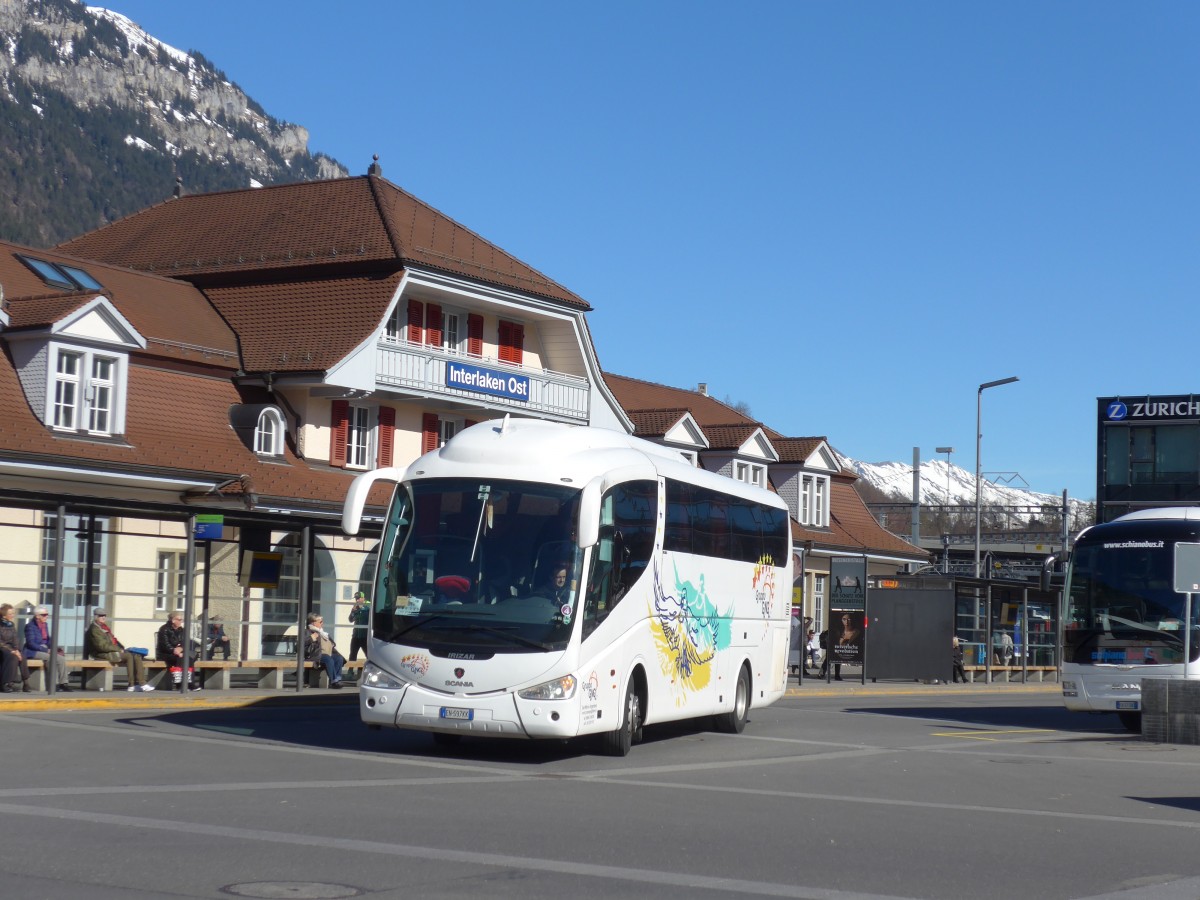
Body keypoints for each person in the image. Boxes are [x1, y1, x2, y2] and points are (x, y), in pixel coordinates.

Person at [85, 609, 153, 692]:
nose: (103, 617)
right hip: (101, 653)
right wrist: (119, 649)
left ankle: (139, 683)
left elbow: (113, 641)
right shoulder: (94, 629)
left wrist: (122, 648)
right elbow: (101, 646)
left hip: (110, 651)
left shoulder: (103, 627)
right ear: (95, 617)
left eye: (104, 615)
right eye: (100, 616)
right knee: (129, 656)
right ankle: (132, 685)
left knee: (136, 655)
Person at [23, 605, 71, 692]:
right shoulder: (30, 626)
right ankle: (54, 684)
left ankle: (63, 683)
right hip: (33, 651)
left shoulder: (44, 625)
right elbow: (31, 643)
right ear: (37, 616)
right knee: (52, 658)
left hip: (44, 649)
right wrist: (46, 650)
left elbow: (48, 640)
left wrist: (55, 648)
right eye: (44, 615)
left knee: (61, 659)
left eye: (47, 614)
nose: (47, 616)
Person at [156, 612, 200, 691]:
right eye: (179, 620)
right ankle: (182, 685)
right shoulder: (164, 629)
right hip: (165, 654)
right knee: (183, 658)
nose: (181, 621)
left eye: (181, 620)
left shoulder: (181, 630)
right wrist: (174, 650)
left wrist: (181, 648)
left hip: (178, 653)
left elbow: (186, 642)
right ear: (173, 620)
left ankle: (189, 683)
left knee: (189, 658)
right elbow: (164, 645)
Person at [304, 613, 345, 688]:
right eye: (320, 622)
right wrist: (311, 638)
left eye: (322, 621)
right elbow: (300, 645)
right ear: (313, 622)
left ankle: (338, 679)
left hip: (327, 654)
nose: (322, 623)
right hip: (316, 655)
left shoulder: (323, 633)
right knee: (328, 659)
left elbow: (331, 645)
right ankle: (334, 681)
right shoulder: (308, 632)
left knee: (339, 658)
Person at [1, 603, 32, 693]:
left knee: (22, 656)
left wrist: (17, 650)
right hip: (2, 648)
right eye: (10, 614)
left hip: (11, 648)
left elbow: (15, 639)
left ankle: (26, 682)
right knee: (13, 657)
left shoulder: (11, 624)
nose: (12, 615)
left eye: (13, 613)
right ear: (4, 615)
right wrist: (12, 651)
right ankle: (6, 683)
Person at [348, 592, 369, 662]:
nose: (357, 600)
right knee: (352, 655)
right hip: (356, 635)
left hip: (365, 636)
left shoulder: (369, 605)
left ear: (363, 598)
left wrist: (361, 608)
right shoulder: (355, 607)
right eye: (356, 599)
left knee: (368, 655)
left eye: (358, 598)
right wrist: (353, 611)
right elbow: (350, 620)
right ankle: (350, 671)